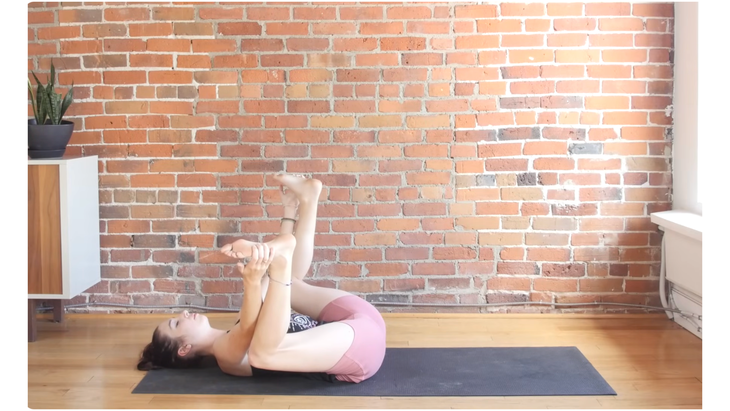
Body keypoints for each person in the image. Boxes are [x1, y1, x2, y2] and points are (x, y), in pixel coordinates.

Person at [137, 174, 387, 383]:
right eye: (176, 324)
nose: (182, 314)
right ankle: (285, 247)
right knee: (261, 353)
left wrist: (290, 209)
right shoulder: (225, 355)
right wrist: (252, 281)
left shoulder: (239, 320)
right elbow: (247, 328)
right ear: (184, 349)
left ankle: (308, 199)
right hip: (360, 348)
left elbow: (278, 288)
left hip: (360, 322)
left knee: (285, 278)